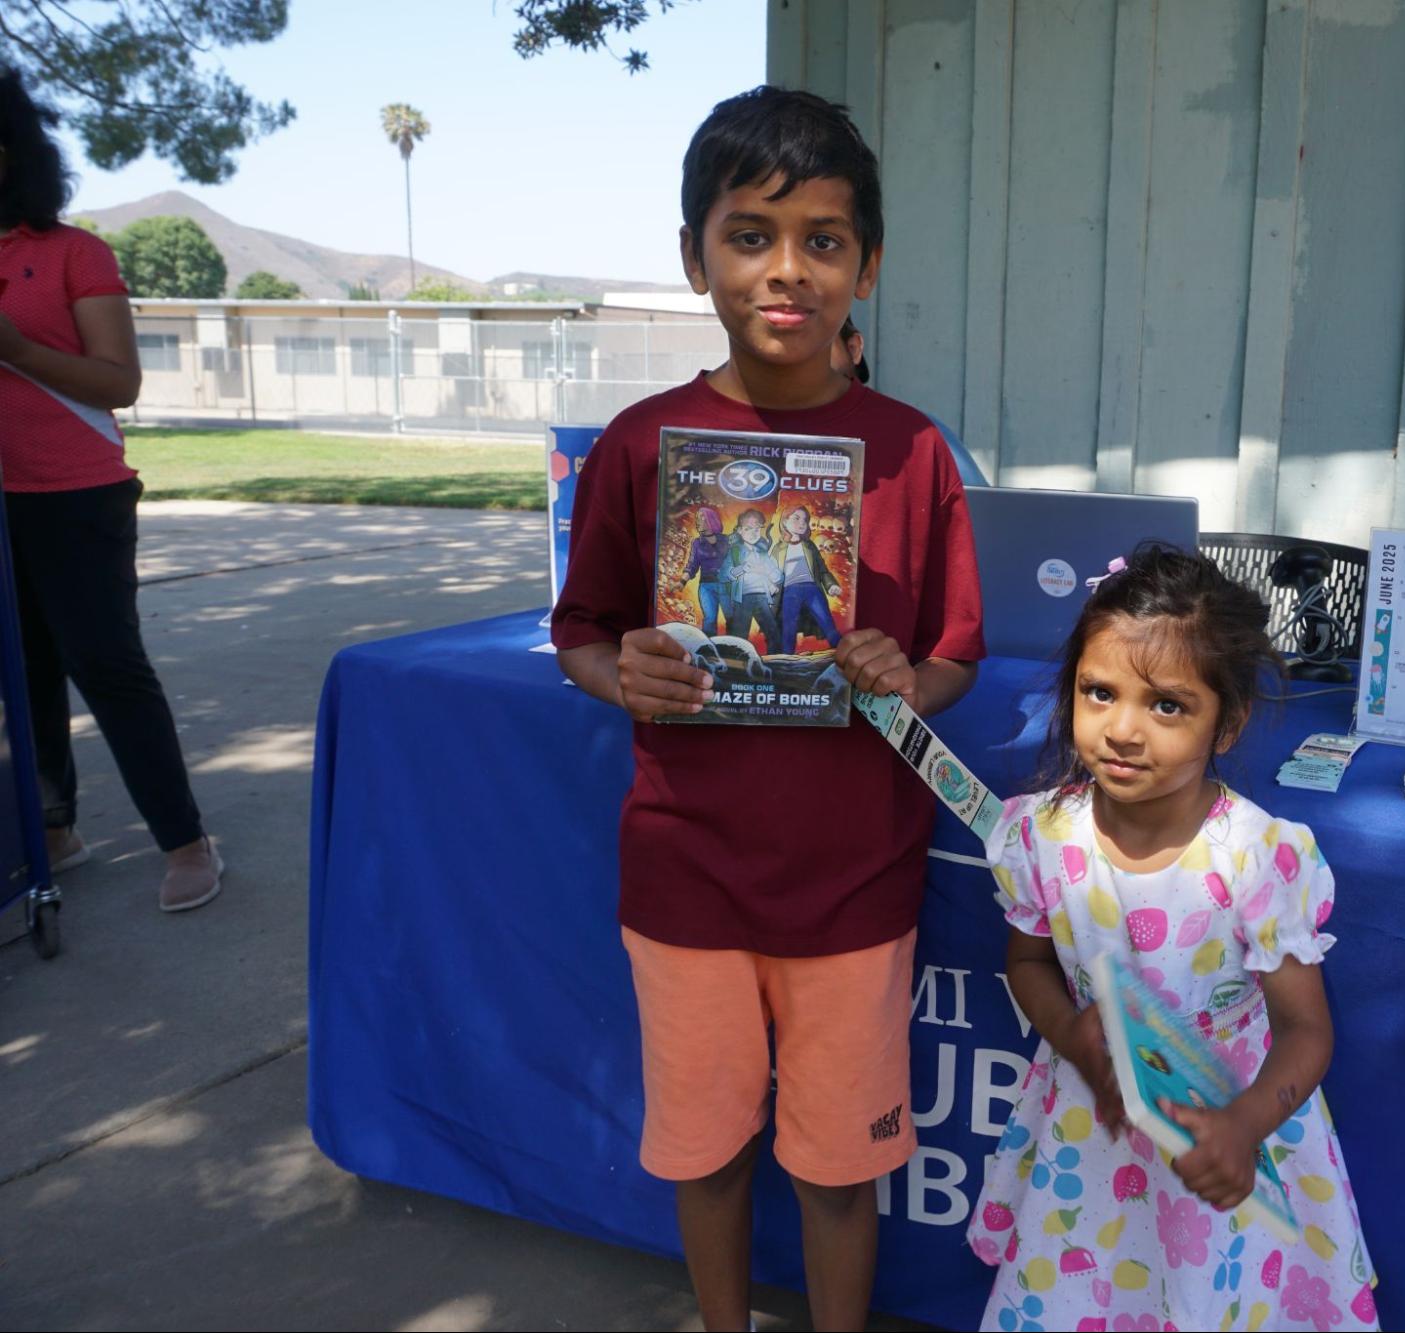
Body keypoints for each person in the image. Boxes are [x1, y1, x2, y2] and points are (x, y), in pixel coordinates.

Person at [550, 86, 984, 1331]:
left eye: (823, 240)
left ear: (867, 266)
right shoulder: (642, 444)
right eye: (749, 235)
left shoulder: (915, 452)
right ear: (696, 258)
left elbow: (954, 655)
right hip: (686, 878)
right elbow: (581, 632)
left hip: (853, 881)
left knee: (841, 1169)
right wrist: (621, 671)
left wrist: (907, 681)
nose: (786, 269)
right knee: (707, 1152)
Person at [973, 544, 1378, 1331]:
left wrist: (1244, 1124)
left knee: (1214, 1301)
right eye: (1098, 692)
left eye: (1166, 705)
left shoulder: (1256, 856)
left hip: (1225, 1133)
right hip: (1092, 1132)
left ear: (1227, 723)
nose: (1123, 729)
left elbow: (1305, 1028)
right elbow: (1026, 961)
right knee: (1087, 1297)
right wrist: (1069, 1031)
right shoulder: (1039, 835)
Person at [0, 70, 221, 912]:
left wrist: (17, 349)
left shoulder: (72, 253)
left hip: (76, 495)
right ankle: (52, 829)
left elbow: (119, 381)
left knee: (105, 664)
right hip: (1, 502)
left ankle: (186, 840)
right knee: (21, 672)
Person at [832, 315, 989, 486]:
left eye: (822, 346)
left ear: (853, 348)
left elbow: (979, 501)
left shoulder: (921, 437)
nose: (811, 363)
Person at [774, 502, 842, 653]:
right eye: (796, 518)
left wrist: (831, 585)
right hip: (789, 591)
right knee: (788, 628)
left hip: (812, 589)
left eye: (805, 520)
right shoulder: (778, 549)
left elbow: (822, 569)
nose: (802, 523)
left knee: (826, 621)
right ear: (785, 521)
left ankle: (841, 652)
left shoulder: (809, 546)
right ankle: (786, 659)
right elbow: (771, 572)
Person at [721, 506, 782, 650]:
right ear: (739, 530)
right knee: (739, 635)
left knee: (773, 632)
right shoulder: (735, 552)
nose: (753, 533)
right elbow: (725, 574)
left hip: (762, 596)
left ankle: (776, 659)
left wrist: (766, 573)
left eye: (757, 529)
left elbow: (777, 575)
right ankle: (737, 660)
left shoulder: (762, 553)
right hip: (743, 598)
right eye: (748, 529)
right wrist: (743, 568)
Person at [679, 504, 729, 634]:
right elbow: (692, 565)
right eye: (696, 518)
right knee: (709, 619)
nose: (697, 521)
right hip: (706, 586)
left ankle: (735, 645)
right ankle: (709, 644)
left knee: (732, 618)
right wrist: (681, 582)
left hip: (727, 585)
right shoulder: (697, 543)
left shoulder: (727, 540)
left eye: (701, 517)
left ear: (711, 519)